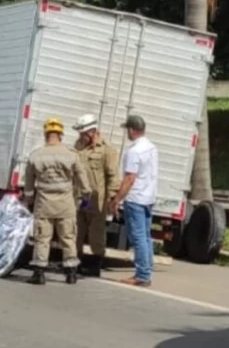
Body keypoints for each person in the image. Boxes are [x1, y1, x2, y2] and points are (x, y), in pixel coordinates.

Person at [25, 117, 92, 285]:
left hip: (44, 203)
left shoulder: (35, 156)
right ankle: (71, 274)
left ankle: (39, 273)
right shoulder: (71, 155)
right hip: (65, 203)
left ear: (45, 134)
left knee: (42, 237)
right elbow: (82, 177)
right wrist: (86, 195)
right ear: (61, 134)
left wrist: (29, 199)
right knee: (68, 236)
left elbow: (28, 183)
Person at [108, 115, 158, 287]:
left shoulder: (134, 151)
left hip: (136, 198)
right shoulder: (151, 148)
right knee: (145, 236)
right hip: (148, 197)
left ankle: (142, 274)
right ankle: (147, 269)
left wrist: (117, 199)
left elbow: (130, 178)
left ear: (132, 130)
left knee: (137, 237)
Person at [73, 113, 120, 277]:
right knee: (76, 231)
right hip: (81, 199)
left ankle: (95, 264)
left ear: (92, 132)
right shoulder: (78, 146)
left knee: (96, 234)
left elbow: (113, 175)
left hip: (96, 201)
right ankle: (74, 262)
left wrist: (113, 198)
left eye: (83, 133)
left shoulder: (107, 151)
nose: (80, 136)